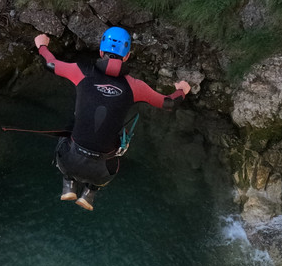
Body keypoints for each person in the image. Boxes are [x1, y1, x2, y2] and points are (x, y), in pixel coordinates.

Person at [34, 26, 192, 210]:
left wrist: (42, 46)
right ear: (127, 56)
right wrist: (182, 89)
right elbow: (168, 103)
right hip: (103, 173)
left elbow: (51, 64)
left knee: (72, 126)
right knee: (115, 142)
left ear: (101, 51)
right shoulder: (135, 86)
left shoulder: (80, 72)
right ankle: (90, 193)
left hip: (68, 162)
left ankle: (68, 184)